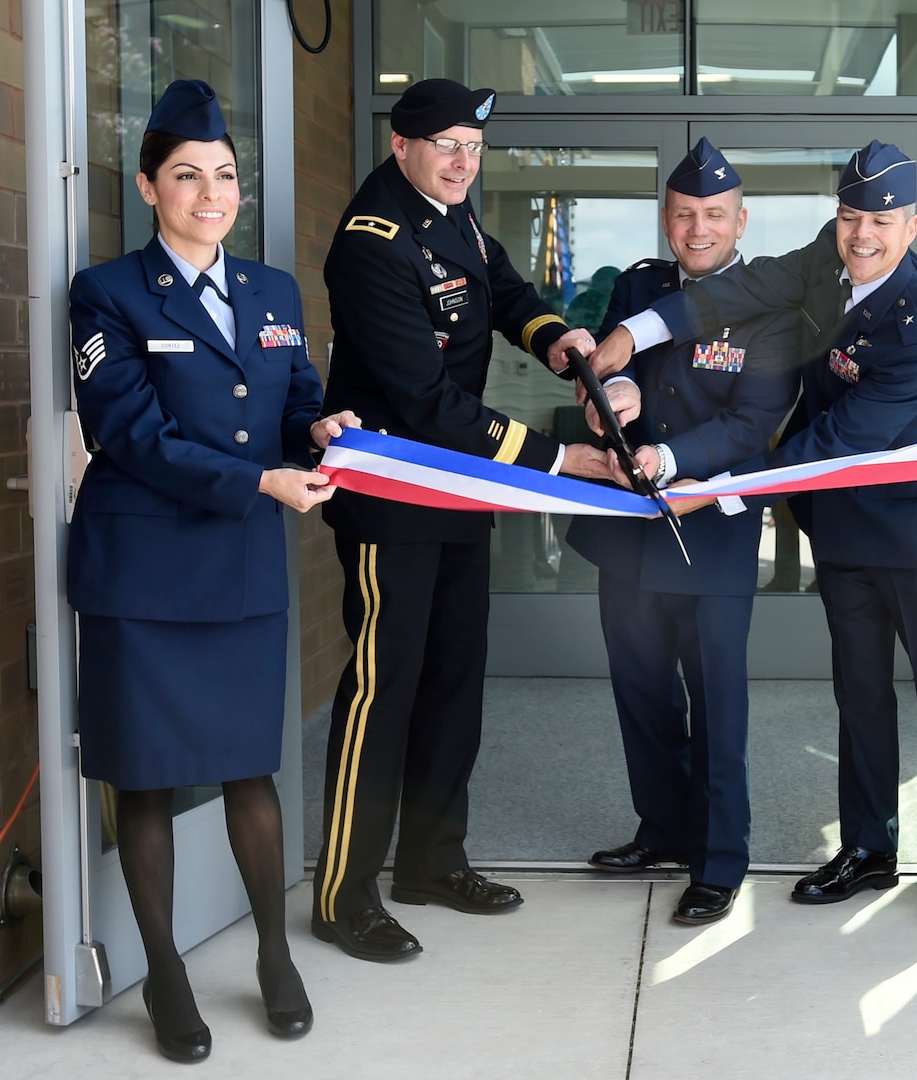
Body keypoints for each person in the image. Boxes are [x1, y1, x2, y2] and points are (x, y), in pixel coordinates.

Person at [589, 141, 917, 933]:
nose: (862, 236)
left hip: (912, 529)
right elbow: (739, 287)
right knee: (859, 694)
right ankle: (868, 849)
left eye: (881, 221)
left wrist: (723, 487)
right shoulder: (825, 254)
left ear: (911, 224)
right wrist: (634, 334)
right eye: (850, 218)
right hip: (839, 524)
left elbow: (837, 439)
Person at [67, 79, 356, 1062]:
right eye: (186, 176)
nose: (210, 193)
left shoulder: (271, 291)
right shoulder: (105, 293)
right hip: (143, 575)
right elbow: (128, 432)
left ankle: (275, 955)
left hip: (238, 571)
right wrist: (264, 478)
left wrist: (322, 430)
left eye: (224, 175)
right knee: (144, 783)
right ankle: (165, 973)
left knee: (250, 769)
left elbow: (296, 399)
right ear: (150, 186)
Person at [311, 79, 607, 963]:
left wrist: (556, 336)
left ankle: (432, 863)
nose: (462, 162)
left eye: (473, 149)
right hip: (395, 496)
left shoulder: (457, 218)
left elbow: (508, 293)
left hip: (456, 496)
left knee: (452, 684)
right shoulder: (375, 239)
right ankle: (344, 893)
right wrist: (554, 460)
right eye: (446, 145)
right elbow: (428, 403)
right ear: (401, 146)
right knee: (381, 695)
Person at [566, 139, 799, 924]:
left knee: (717, 702)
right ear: (667, 219)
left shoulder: (772, 306)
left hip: (710, 535)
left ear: (740, 221)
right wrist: (610, 390)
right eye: (684, 214)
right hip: (627, 532)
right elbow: (601, 371)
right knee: (640, 693)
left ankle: (720, 858)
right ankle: (662, 829)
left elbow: (753, 424)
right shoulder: (638, 285)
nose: (698, 229)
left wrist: (667, 456)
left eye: (713, 215)